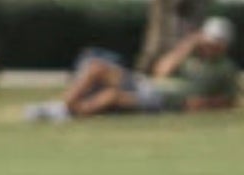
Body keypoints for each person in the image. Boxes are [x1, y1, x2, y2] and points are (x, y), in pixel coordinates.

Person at [34, 16, 239, 121]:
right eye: (208, 40)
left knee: (111, 96)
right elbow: (162, 71)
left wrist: (200, 105)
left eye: (216, 42)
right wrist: (186, 46)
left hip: (162, 100)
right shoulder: (190, 58)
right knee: (96, 67)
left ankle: (64, 112)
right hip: (147, 85)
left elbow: (229, 101)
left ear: (225, 45)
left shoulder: (226, 69)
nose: (210, 46)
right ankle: (64, 107)